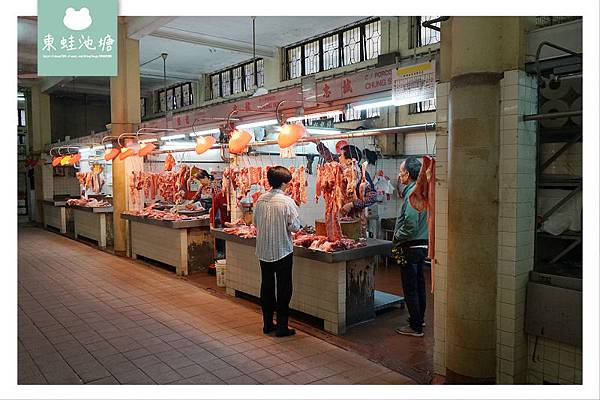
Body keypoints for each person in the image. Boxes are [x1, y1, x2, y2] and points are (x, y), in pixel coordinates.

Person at [253, 166, 302, 337]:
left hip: (264, 251)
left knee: (266, 288)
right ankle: (282, 326)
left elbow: (255, 223)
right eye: (288, 183)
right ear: (283, 183)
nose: (289, 186)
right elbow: (295, 227)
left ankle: (267, 324)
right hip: (282, 251)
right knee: (284, 289)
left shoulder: (260, 200)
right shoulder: (287, 202)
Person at [393, 157, 429, 337]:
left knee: (411, 287)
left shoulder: (411, 193)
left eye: (401, 171)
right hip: (422, 245)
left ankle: (415, 327)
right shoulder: (422, 190)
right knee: (419, 284)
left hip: (411, 246)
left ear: (407, 174)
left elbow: (410, 224)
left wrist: (397, 236)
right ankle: (419, 319)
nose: (399, 175)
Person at [338, 145, 378, 225]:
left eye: (341, 156)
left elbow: (372, 197)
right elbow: (330, 157)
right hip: (341, 219)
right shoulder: (342, 172)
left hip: (356, 221)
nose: (339, 158)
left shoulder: (362, 175)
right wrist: (318, 144)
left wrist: (351, 205)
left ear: (349, 161)